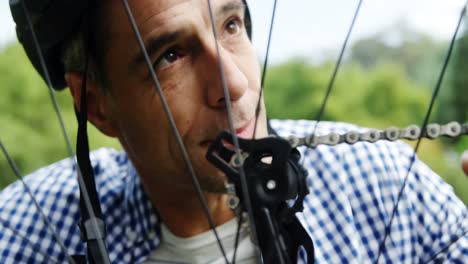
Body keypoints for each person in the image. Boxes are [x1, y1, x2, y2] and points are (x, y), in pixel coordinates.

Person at [1, 0, 467, 263]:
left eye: (231, 25)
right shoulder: (23, 233)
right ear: (96, 105)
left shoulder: (387, 190)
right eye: (171, 55)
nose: (235, 84)